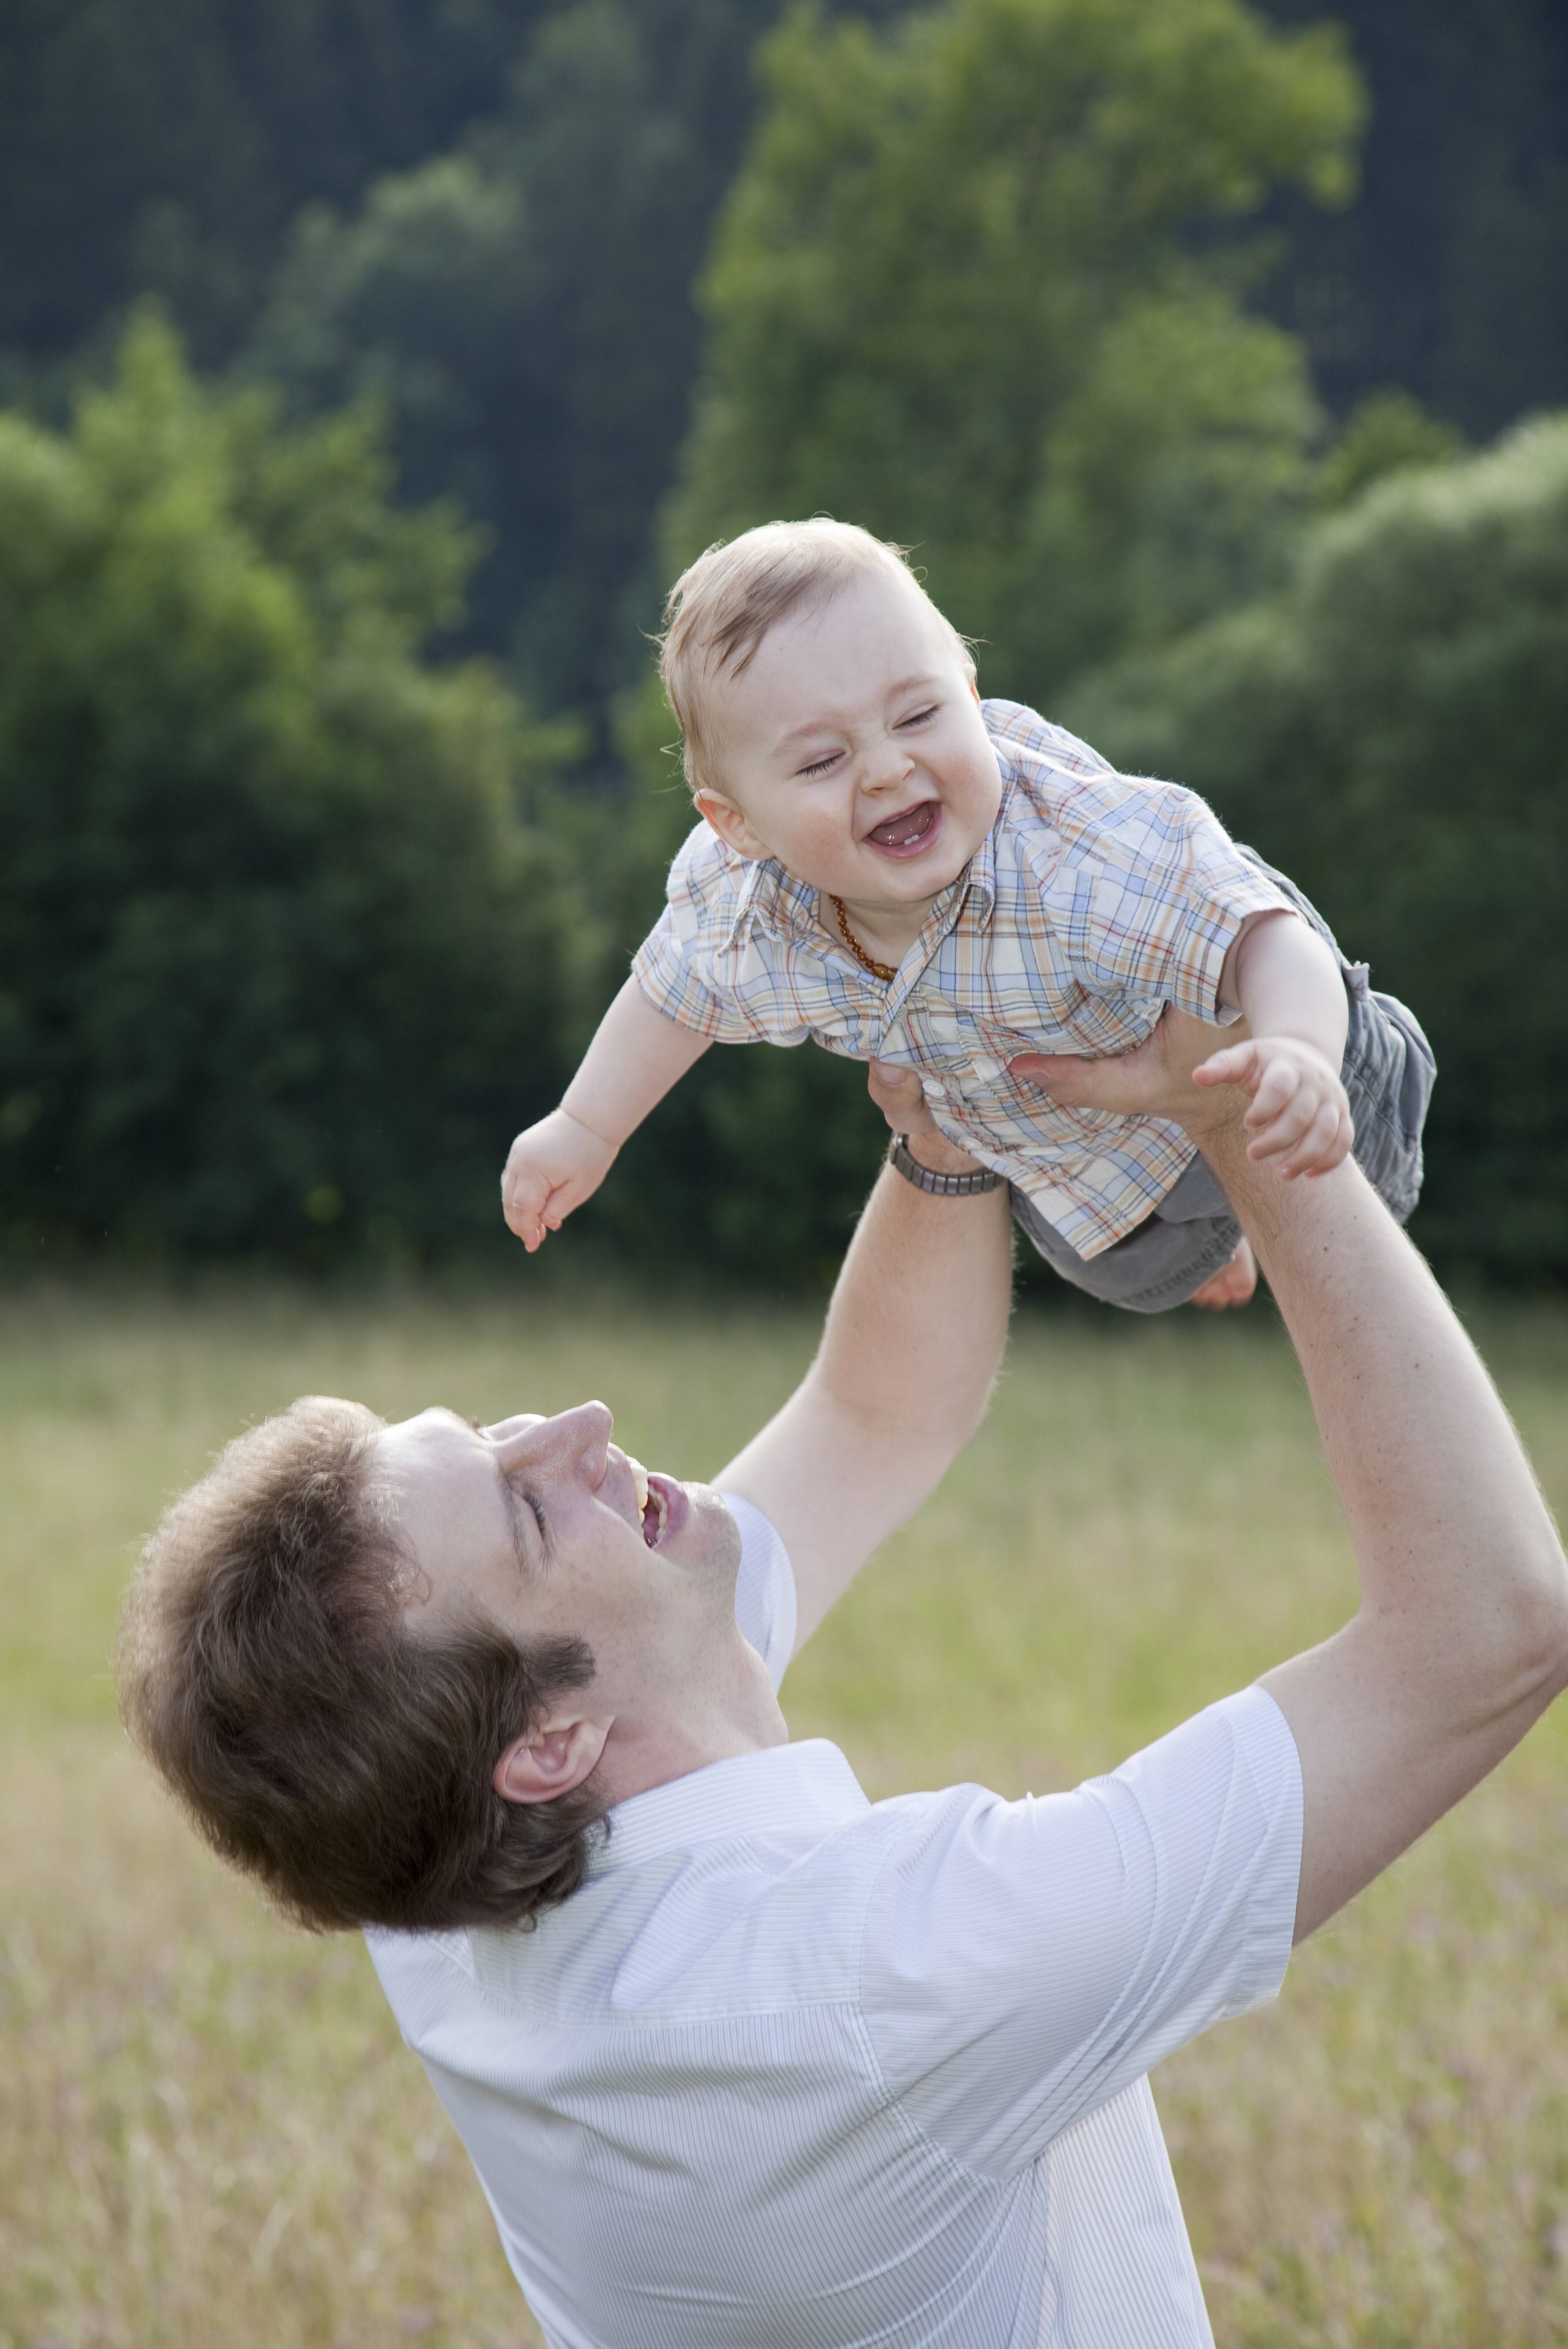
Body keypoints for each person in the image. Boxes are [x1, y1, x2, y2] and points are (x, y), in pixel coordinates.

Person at [120, 1031, 1565, 2349]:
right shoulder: (873, 1978)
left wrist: (943, 1125)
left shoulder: (433, 1871)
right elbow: (1481, 1628)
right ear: (548, 1741)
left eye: (493, 1431)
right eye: (523, 1507)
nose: (578, 1426)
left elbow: (876, 1410)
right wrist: (1249, 1117)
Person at [499, 519, 1434, 1313]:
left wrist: (1303, 1053)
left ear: (973, 701)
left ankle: (1333, 1081)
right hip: (1087, 1155)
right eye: (822, 762)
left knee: (1349, 1197)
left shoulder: (1078, 853)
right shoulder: (748, 911)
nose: (887, 768)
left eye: (918, 717)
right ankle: (1221, 1237)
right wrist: (585, 1127)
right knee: (1116, 1272)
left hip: (1252, 1019)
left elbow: (1261, 939)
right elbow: (673, 996)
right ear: (737, 826)